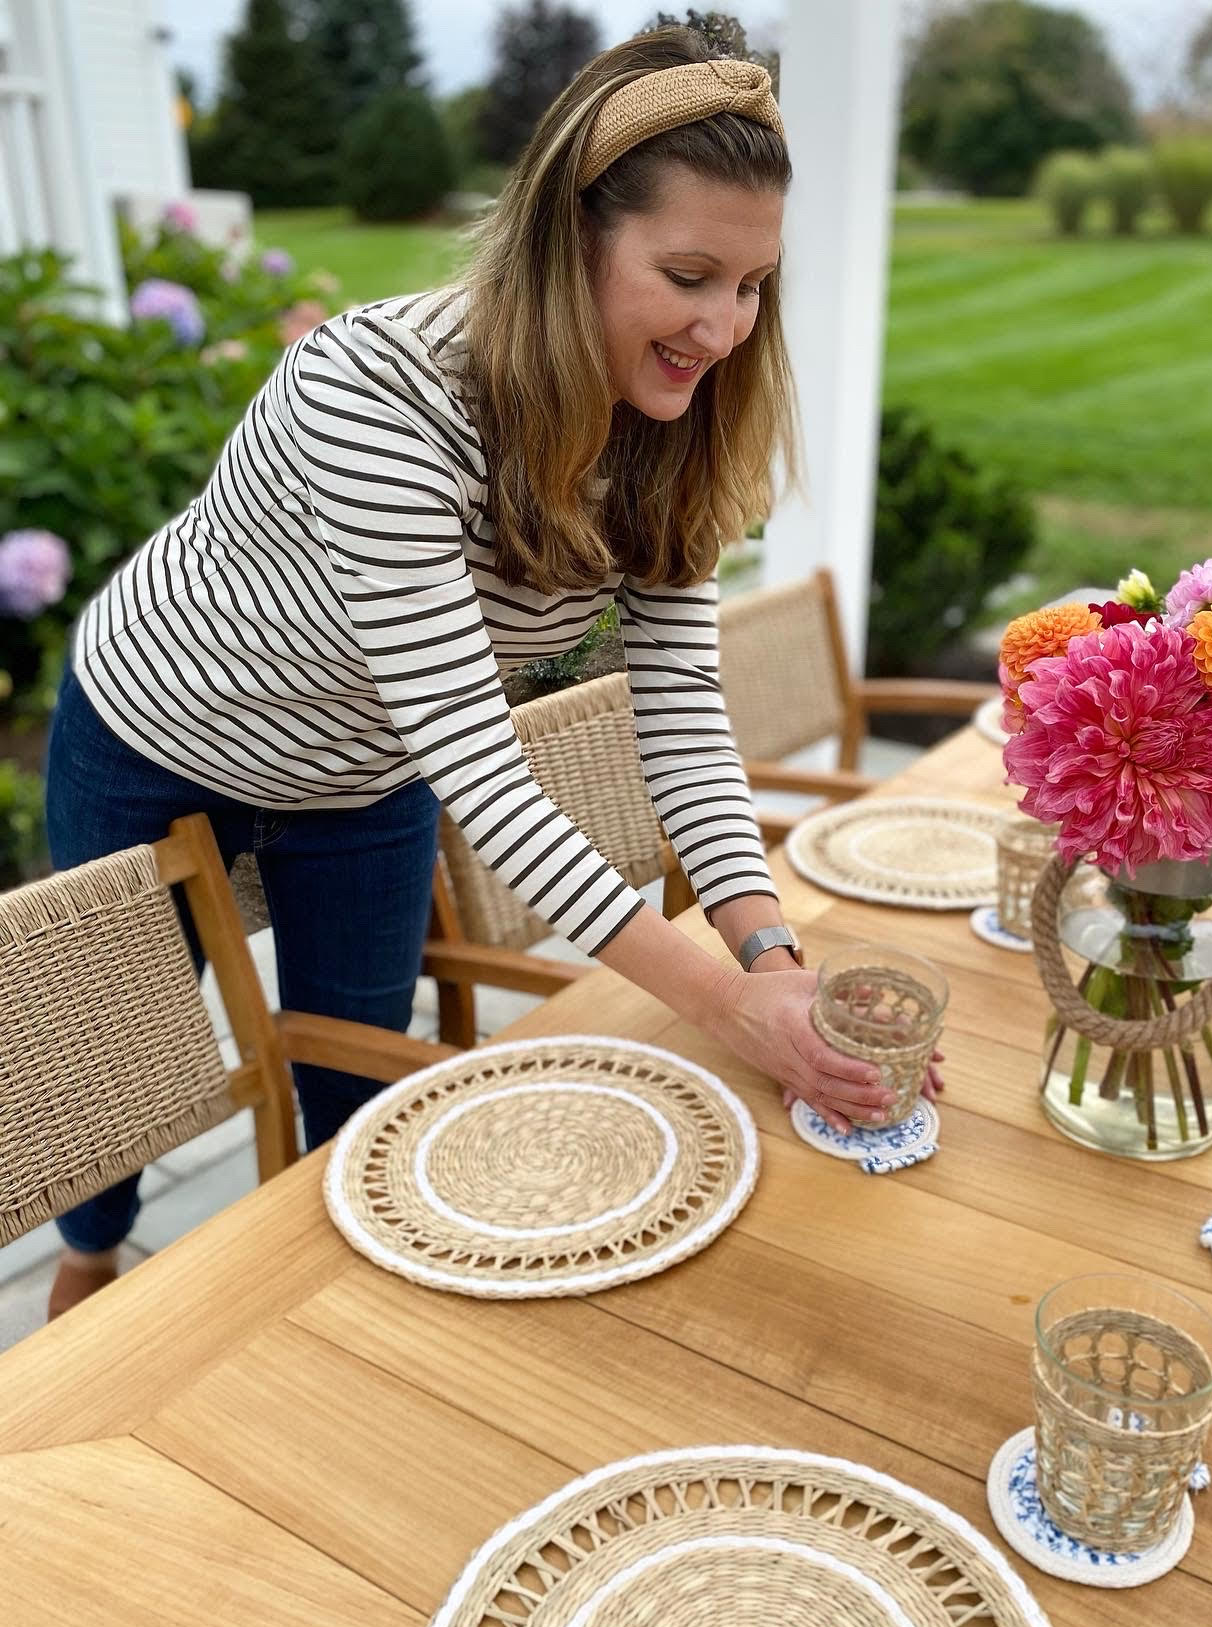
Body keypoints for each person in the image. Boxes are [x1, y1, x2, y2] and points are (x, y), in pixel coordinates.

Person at [42, 27, 940, 1320]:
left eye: (752, 285)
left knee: (359, 1109)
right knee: (117, 1091)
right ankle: (87, 1258)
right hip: (159, 734)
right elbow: (478, 758)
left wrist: (769, 958)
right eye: (688, 275)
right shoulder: (377, 392)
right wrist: (724, 1011)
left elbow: (681, 716)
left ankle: (326, 1341)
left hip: (365, 774)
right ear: (568, 240)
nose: (724, 328)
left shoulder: (665, 428)